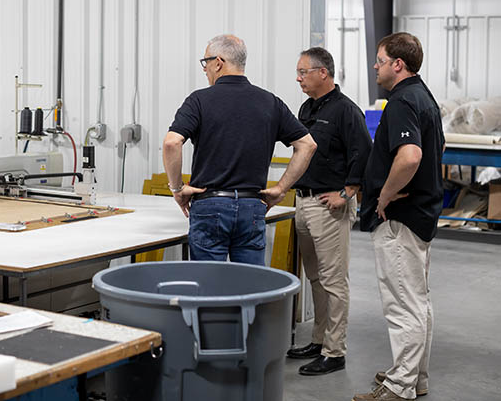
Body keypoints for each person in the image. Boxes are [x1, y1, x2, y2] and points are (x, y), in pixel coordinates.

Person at [162, 34, 317, 264]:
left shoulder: (198, 101)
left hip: (210, 204)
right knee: (248, 287)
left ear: (218, 62)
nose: (205, 69)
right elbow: (307, 144)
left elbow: (171, 143)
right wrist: (281, 188)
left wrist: (177, 188)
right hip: (252, 206)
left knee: (209, 287)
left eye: (206, 62)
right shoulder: (270, 102)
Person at [353, 33, 445, 401]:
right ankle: (414, 377)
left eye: (379, 60)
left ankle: (399, 387)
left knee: (402, 304)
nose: (375, 66)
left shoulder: (403, 101)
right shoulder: (423, 97)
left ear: (398, 64)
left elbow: (410, 157)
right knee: (418, 301)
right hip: (420, 214)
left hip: (400, 218)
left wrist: (385, 195)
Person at [286, 47, 372, 376]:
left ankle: (335, 352)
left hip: (329, 205)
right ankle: (319, 340)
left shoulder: (346, 111)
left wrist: (347, 192)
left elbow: (363, 151)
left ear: (323, 73)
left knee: (335, 281)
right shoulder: (307, 107)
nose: (298, 78)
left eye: (303, 72)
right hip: (304, 203)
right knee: (316, 279)